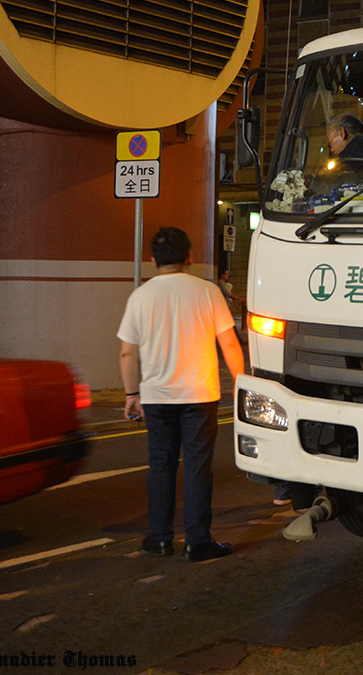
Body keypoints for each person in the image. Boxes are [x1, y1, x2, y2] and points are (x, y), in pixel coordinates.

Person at [118, 227, 245, 562]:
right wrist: (243, 384)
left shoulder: (140, 296)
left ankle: (160, 539)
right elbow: (229, 343)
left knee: (160, 464)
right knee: (198, 466)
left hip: (156, 396)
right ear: (189, 256)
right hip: (199, 394)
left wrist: (132, 393)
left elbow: (127, 353)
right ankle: (197, 541)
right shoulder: (207, 291)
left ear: (152, 259)